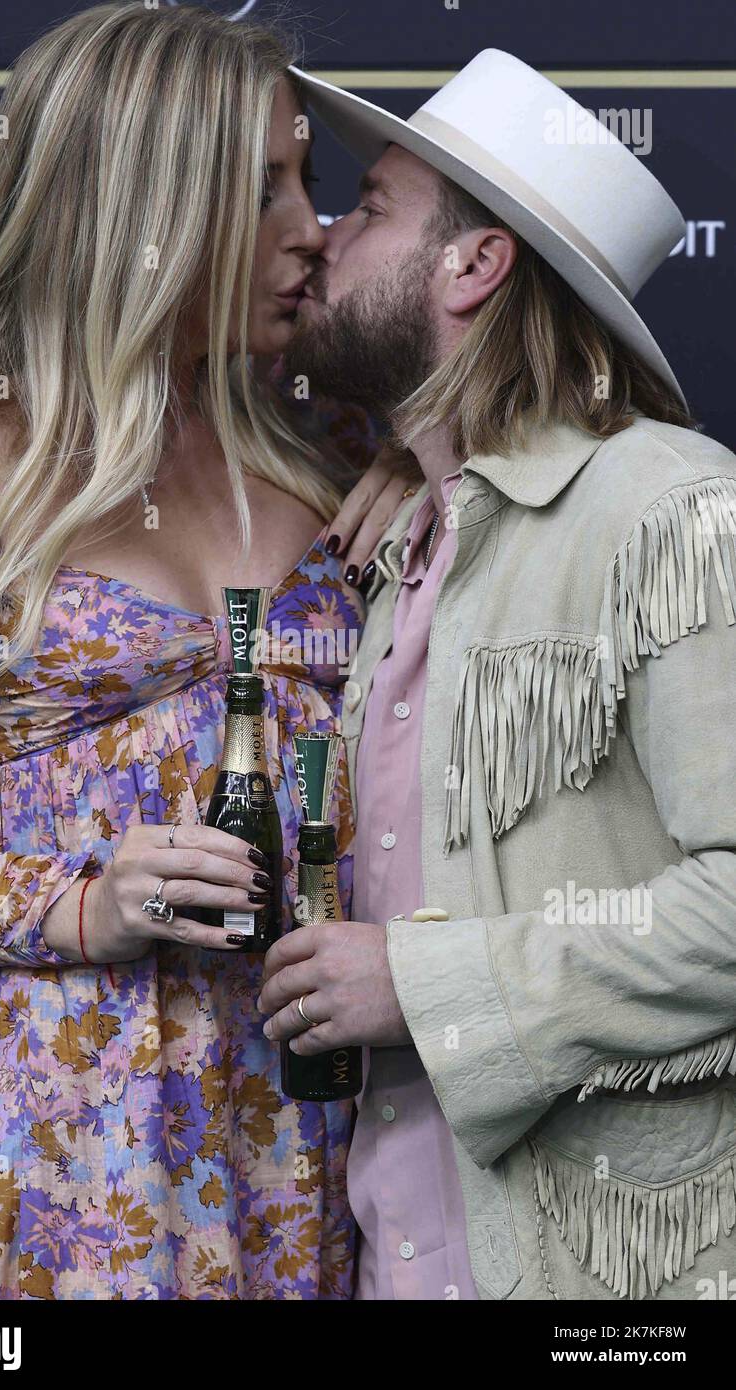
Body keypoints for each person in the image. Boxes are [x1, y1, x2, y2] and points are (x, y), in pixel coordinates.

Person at [0, 4, 407, 1300]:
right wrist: (77, 903)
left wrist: (431, 479)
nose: (311, 232)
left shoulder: (343, 439)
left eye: (312, 183)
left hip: (316, 1130)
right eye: (262, 188)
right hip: (52, 1158)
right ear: (146, 207)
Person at [259, 48, 736, 1300]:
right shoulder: (406, 540)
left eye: (369, 209)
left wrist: (419, 982)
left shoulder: (674, 509)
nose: (322, 238)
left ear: (473, 266)